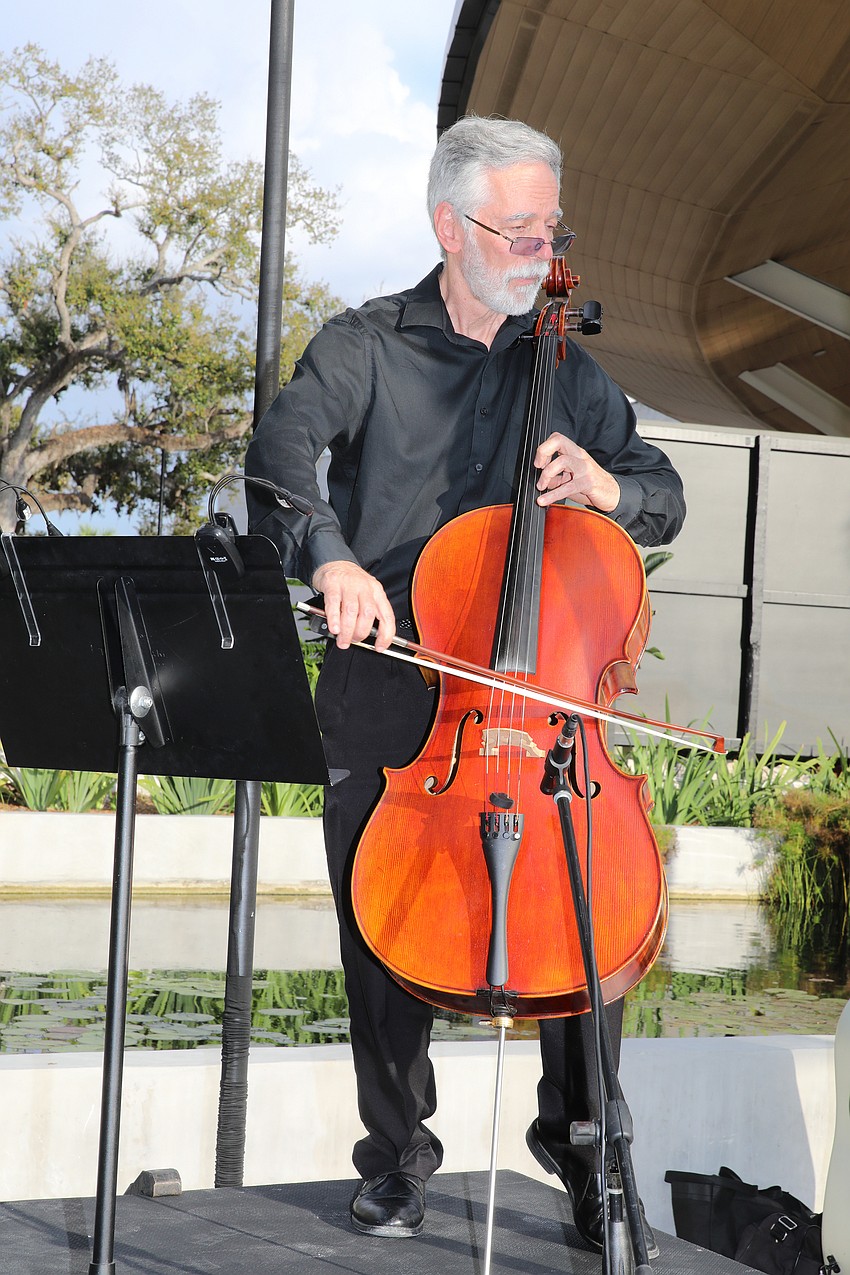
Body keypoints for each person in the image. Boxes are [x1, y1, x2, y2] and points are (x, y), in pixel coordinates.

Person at [245, 115, 685, 1248]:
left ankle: (584, 1150)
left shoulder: (567, 370)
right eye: (518, 229)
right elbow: (281, 455)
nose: (542, 250)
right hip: (396, 675)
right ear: (451, 226)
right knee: (384, 932)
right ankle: (397, 1157)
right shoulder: (364, 345)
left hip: (543, 709)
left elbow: (662, 490)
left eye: (552, 230)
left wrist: (608, 488)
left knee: (584, 913)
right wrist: (331, 559)